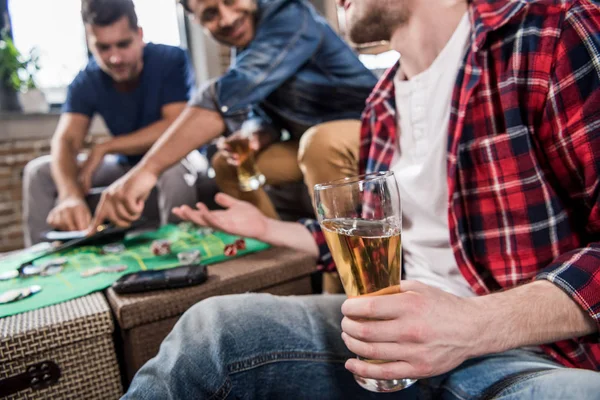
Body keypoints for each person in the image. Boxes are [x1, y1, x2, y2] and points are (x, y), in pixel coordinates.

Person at [122, 0, 600, 398]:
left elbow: (221, 98)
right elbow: (368, 239)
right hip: (388, 348)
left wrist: (472, 324)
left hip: (529, 353)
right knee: (210, 329)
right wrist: (268, 229)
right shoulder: (380, 106)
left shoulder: (551, 33)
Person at [87, 0, 377, 231]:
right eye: (211, 13)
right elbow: (263, 116)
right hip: (308, 143)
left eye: (230, 1)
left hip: (371, 133)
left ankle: (340, 282)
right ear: (196, 21)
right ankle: (284, 258)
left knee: (319, 143)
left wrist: (146, 171)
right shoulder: (245, 52)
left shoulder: (289, 14)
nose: (226, 19)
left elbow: (223, 97)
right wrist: (255, 134)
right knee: (226, 165)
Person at [22, 0, 199, 246]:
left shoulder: (170, 59)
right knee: (39, 171)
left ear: (139, 35)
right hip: (126, 167)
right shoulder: (86, 80)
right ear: (89, 41)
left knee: (172, 170)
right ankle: (44, 265)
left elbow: (174, 126)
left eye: (123, 44)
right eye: (103, 48)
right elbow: (66, 140)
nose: (115, 58)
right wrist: (69, 195)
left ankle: (179, 250)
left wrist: (106, 147)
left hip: (179, 159)